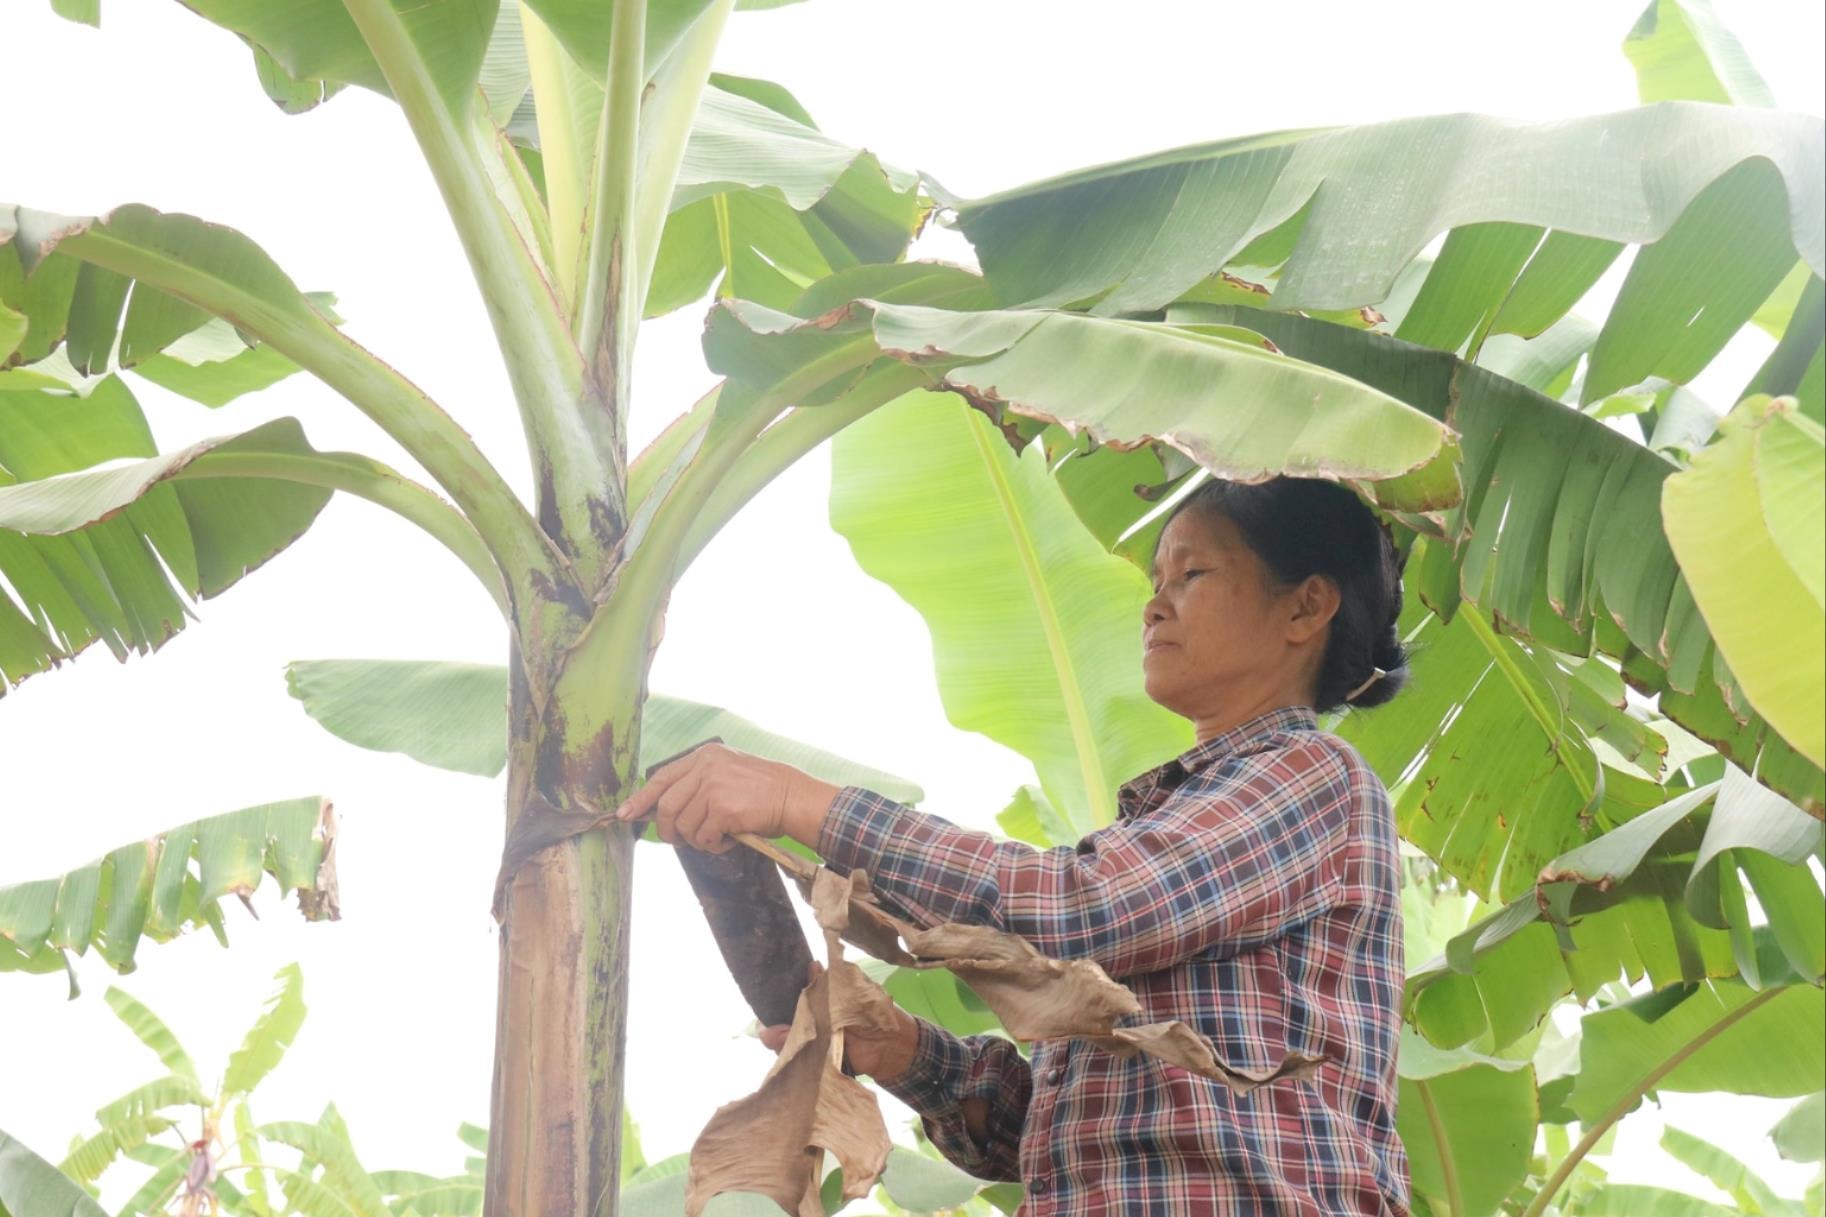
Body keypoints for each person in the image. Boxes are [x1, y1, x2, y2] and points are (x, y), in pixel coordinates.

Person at [615, 474, 1412, 1216]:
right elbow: (1049, 1129)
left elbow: (1081, 908)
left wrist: (797, 799)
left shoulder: (1309, 777)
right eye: (1155, 583)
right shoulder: (1167, 824)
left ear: (1306, 608)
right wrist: (900, 1048)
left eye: (1190, 575)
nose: (1154, 606)